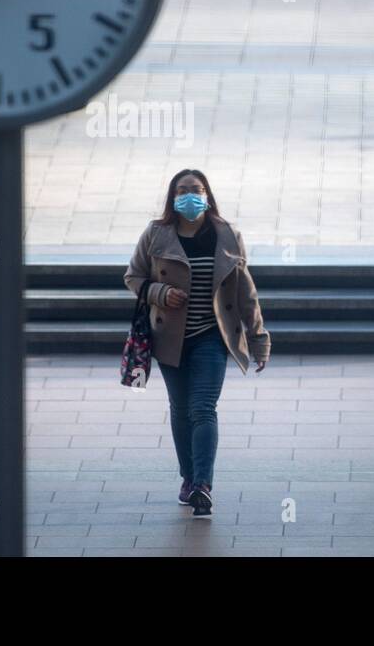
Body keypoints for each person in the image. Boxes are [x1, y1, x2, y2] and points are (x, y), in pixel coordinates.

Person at [124, 169, 269, 517]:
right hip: (169, 338)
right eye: (183, 190)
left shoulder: (227, 235)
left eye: (197, 189)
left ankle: (203, 484)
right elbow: (133, 277)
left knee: (203, 408)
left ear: (208, 194)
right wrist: (160, 292)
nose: (190, 195)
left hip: (212, 338)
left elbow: (245, 292)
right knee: (180, 410)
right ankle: (188, 477)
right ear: (173, 197)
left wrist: (258, 338)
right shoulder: (157, 234)